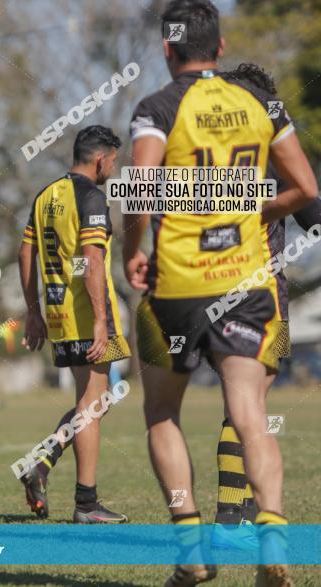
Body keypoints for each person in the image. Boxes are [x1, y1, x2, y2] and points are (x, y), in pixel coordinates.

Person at [123, 2, 318, 584]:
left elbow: (139, 193)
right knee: (252, 414)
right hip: (254, 285)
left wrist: (135, 249)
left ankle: (192, 548)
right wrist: (258, 205)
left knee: (161, 412)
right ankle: (273, 539)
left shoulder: (157, 107)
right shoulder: (264, 105)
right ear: (222, 46)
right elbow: (306, 190)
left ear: (167, 50)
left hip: (176, 286)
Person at [210, 63, 321, 550]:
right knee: (249, 401)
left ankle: (240, 510)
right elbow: (314, 215)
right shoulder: (266, 139)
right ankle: (231, 517)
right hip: (260, 286)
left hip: (204, 282)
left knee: (241, 399)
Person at [18, 125, 131, 524]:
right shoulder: (91, 197)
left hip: (57, 315)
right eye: (114, 161)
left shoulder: (46, 194)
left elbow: (25, 250)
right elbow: (93, 260)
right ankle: (86, 503)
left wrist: (34, 310)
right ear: (100, 159)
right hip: (87, 315)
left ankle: (42, 463)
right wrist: (102, 321)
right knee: (95, 403)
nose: (114, 169)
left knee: (95, 400)